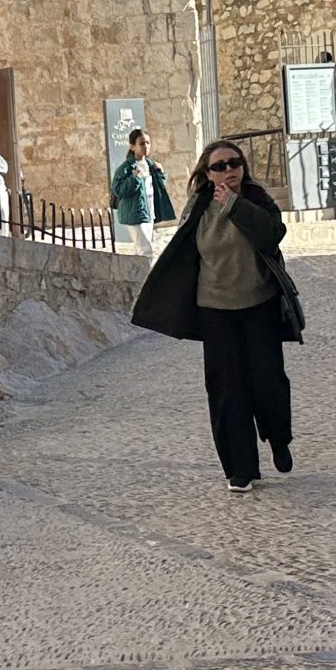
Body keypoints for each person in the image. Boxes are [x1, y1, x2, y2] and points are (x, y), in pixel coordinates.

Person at [131, 139, 303, 493]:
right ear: (207, 173)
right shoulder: (198, 206)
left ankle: (278, 438)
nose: (228, 170)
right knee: (227, 389)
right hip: (215, 310)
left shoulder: (256, 198)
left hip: (260, 305)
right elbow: (184, 251)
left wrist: (236, 206)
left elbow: (272, 235)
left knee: (267, 380)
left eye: (234, 163)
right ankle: (241, 468)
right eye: (219, 166)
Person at [111, 127, 176, 262]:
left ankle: (135, 273)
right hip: (134, 214)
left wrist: (161, 173)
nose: (146, 146)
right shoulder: (126, 168)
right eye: (141, 143)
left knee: (139, 250)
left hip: (149, 212)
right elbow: (118, 190)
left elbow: (156, 186)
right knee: (146, 251)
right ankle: (149, 275)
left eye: (148, 143)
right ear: (132, 146)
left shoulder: (150, 164)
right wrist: (134, 178)